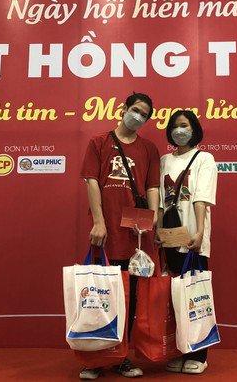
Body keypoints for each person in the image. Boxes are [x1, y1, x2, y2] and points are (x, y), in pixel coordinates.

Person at [79, 92, 161, 380]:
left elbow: (152, 187)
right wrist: (99, 222)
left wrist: (152, 220)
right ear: (124, 108)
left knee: (130, 299)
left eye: (144, 115)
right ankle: (94, 359)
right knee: (101, 297)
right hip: (106, 233)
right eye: (135, 110)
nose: (138, 116)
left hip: (135, 239)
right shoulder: (99, 142)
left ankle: (121, 357)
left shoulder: (149, 149)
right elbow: (91, 181)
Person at [158, 110, 217, 375]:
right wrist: (158, 230)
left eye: (184, 125)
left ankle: (199, 354)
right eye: (175, 126)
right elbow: (161, 199)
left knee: (195, 296)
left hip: (193, 236)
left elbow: (202, 197)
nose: (179, 130)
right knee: (174, 298)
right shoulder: (164, 160)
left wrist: (200, 231)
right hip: (171, 237)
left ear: (194, 129)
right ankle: (180, 351)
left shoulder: (205, 158)